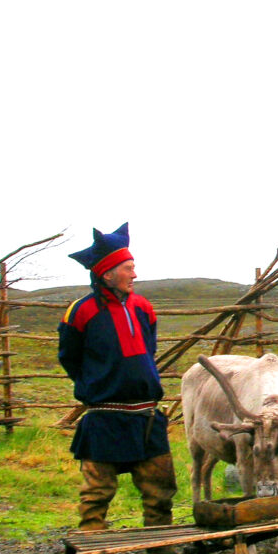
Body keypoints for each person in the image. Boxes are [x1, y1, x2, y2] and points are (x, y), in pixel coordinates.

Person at [58, 222, 177, 531]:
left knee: (160, 492)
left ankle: (159, 548)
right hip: (104, 417)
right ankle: (94, 548)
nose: (134, 275)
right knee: (96, 494)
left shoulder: (143, 308)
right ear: (106, 274)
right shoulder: (80, 312)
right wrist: (94, 385)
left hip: (146, 416)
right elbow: (69, 358)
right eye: (128, 268)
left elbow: (147, 350)